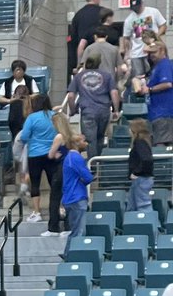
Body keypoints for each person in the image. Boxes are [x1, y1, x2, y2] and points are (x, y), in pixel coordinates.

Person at [65, 54, 120, 159]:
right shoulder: (107, 76)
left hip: (88, 111)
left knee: (90, 140)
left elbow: (71, 96)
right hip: (104, 110)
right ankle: (100, 164)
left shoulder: (78, 76)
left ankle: (93, 165)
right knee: (100, 138)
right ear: (99, 63)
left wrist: (73, 110)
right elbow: (114, 93)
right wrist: (116, 110)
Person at [19, 94, 62, 230]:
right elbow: (61, 131)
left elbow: (24, 136)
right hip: (52, 153)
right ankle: (59, 208)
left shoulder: (32, 118)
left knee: (35, 183)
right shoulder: (55, 115)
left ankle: (37, 212)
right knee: (54, 183)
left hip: (35, 154)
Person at [56, 128, 94, 254]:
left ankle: (68, 254)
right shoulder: (75, 158)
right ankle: (71, 256)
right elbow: (88, 177)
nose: (86, 144)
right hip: (76, 198)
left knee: (76, 230)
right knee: (79, 232)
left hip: (69, 198)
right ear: (77, 143)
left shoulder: (68, 157)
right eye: (84, 141)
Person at [122, 0, 166, 80]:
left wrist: (156, 36)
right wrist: (127, 53)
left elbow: (163, 25)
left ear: (142, 4)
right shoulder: (129, 19)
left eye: (137, 7)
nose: (136, 9)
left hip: (152, 49)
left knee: (154, 73)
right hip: (136, 52)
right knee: (139, 77)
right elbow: (126, 37)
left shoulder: (153, 12)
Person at [138, 39, 173, 144]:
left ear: (162, 51)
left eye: (154, 52)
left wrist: (149, 89)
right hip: (156, 112)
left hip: (163, 112)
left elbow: (167, 84)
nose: (151, 55)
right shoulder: (156, 67)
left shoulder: (164, 64)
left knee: (162, 146)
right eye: (150, 53)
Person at [126, 118, 154, 211]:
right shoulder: (143, 141)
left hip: (142, 179)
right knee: (131, 206)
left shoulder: (140, 142)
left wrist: (136, 172)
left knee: (143, 205)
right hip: (142, 179)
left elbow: (147, 159)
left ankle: (151, 224)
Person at [73, 0, 106, 64]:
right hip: (102, 54)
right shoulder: (103, 12)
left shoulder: (78, 14)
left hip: (84, 55)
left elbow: (74, 39)